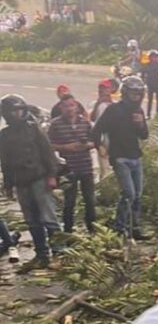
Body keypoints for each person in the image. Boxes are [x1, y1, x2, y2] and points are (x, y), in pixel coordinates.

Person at [0, 95, 62, 272]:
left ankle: (59, 254)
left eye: (20, 110)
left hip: (39, 178)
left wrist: (52, 175)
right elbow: (5, 162)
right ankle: (42, 255)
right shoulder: (4, 135)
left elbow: (47, 152)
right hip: (21, 182)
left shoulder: (33, 129)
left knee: (49, 218)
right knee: (32, 221)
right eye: (14, 111)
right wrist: (8, 184)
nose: (18, 114)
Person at [91, 76, 149, 240]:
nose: (136, 97)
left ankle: (134, 227)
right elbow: (96, 130)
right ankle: (120, 226)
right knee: (129, 193)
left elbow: (144, 135)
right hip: (119, 157)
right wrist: (100, 146)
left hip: (136, 156)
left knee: (138, 194)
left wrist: (140, 124)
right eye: (133, 93)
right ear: (125, 93)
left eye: (139, 93)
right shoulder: (113, 110)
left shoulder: (138, 111)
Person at [48, 95, 96, 234]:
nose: (69, 109)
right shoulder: (55, 124)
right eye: (66, 106)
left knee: (90, 200)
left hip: (86, 166)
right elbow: (49, 145)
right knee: (70, 201)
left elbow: (95, 141)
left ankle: (92, 229)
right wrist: (66, 147)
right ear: (61, 108)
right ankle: (68, 230)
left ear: (76, 106)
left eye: (72, 105)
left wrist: (86, 145)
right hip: (68, 168)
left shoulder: (85, 123)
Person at [90, 79, 115, 181]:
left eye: (105, 88)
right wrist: (99, 145)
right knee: (106, 173)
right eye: (101, 88)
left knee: (109, 171)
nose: (102, 90)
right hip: (104, 142)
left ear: (110, 90)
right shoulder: (100, 105)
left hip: (113, 142)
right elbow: (97, 126)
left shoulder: (111, 104)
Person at [141, 50, 158, 119]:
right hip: (150, 84)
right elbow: (143, 74)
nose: (154, 58)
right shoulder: (146, 65)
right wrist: (143, 82)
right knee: (150, 100)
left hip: (157, 84)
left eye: (155, 57)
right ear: (150, 57)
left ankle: (157, 114)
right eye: (153, 57)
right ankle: (148, 114)